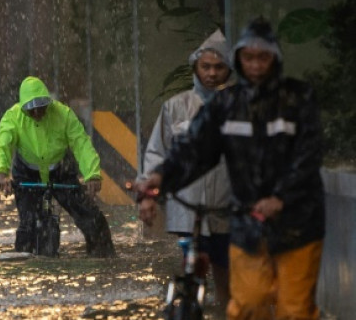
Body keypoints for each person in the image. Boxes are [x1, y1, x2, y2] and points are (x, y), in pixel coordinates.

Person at [135, 17, 325, 320]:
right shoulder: (226, 105)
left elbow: (307, 156)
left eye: (263, 57)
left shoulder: (298, 99)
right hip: (247, 223)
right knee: (247, 304)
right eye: (249, 58)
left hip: (297, 224)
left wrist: (282, 198)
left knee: (295, 309)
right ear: (240, 60)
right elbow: (194, 150)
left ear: (275, 59)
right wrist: (159, 179)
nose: (256, 66)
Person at [140, 30, 233, 306]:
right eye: (206, 67)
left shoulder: (240, 106)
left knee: (228, 279)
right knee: (192, 270)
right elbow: (157, 152)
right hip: (189, 209)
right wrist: (148, 194)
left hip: (229, 209)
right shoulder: (175, 107)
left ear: (229, 69)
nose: (212, 73)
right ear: (195, 68)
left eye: (219, 67)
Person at [0, 76, 116, 257]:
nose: (37, 113)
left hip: (61, 172)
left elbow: (81, 144)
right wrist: (1, 173)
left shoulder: (64, 114)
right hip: (27, 175)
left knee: (92, 218)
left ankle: (103, 257)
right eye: (31, 110)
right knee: (29, 223)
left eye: (41, 107)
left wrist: (92, 174)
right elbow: (2, 144)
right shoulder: (12, 117)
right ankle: (25, 260)